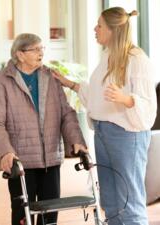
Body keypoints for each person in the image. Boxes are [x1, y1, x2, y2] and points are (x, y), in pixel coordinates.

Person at [52, 7, 157, 225]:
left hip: (127, 136)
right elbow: (98, 96)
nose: (95, 28)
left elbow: (148, 108)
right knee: (110, 200)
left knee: (129, 202)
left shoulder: (137, 59)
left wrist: (127, 99)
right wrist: (70, 83)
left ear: (112, 30)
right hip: (103, 133)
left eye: (99, 25)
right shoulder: (108, 56)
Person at [0, 33, 87, 225]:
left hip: (51, 159)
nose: (41, 53)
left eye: (42, 48)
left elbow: (66, 113)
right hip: (21, 162)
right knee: (23, 216)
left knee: (50, 216)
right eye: (35, 49)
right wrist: (5, 152)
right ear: (20, 54)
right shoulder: (2, 81)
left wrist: (76, 141)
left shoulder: (51, 77)